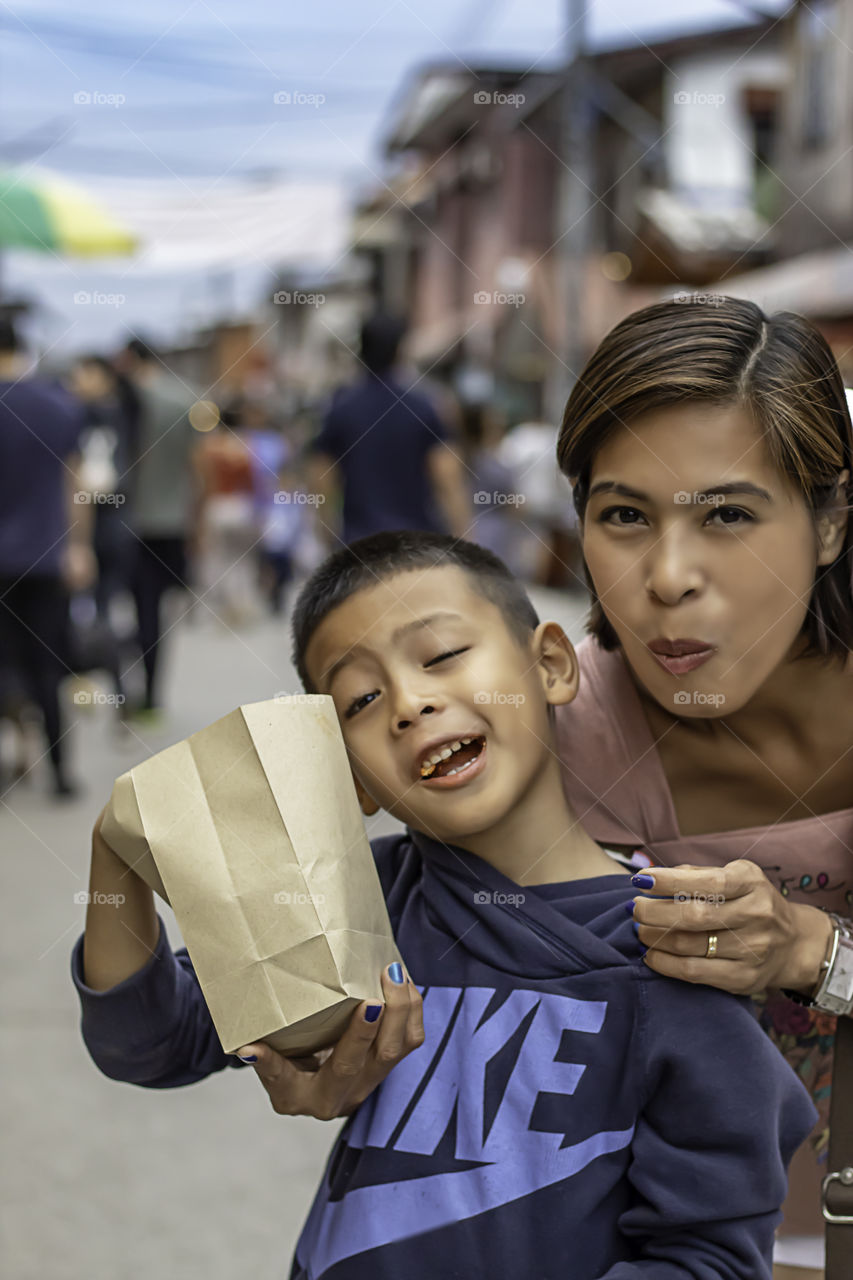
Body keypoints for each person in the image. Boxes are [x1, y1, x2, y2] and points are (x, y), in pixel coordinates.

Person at [72, 531, 816, 1279]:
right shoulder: (356, 902)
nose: (407, 702)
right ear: (346, 781)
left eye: (441, 656)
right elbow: (149, 1043)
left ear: (551, 664)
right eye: (360, 698)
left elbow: (707, 1258)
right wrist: (117, 854)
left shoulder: (680, 944)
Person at [553, 296, 853, 1279]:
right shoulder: (558, 727)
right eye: (624, 515)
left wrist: (809, 946)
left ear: (829, 521)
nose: (668, 576)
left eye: (726, 514)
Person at [0, 316, 93, 797]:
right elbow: (73, 484)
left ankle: (10, 764)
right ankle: (59, 772)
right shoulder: (58, 407)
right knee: (48, 667)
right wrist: (79, 546)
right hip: (45, 556)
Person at [307, 314, 471, 545]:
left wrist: (326, 534)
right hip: (416, 544)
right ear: (399, 350)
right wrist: (463, 537)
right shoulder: (423, 407)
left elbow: (321, 478)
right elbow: (448, 477)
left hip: (360, 544)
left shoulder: (340, 408)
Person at [117, 338, 201, 719]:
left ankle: (127, 690)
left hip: (130, 522)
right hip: (172, 523)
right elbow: (198, 468)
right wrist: (198, 525)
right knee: (158, 613)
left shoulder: (124, 399)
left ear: (128, 359)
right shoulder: (183, 399)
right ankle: (152, 695)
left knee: (139, 609)